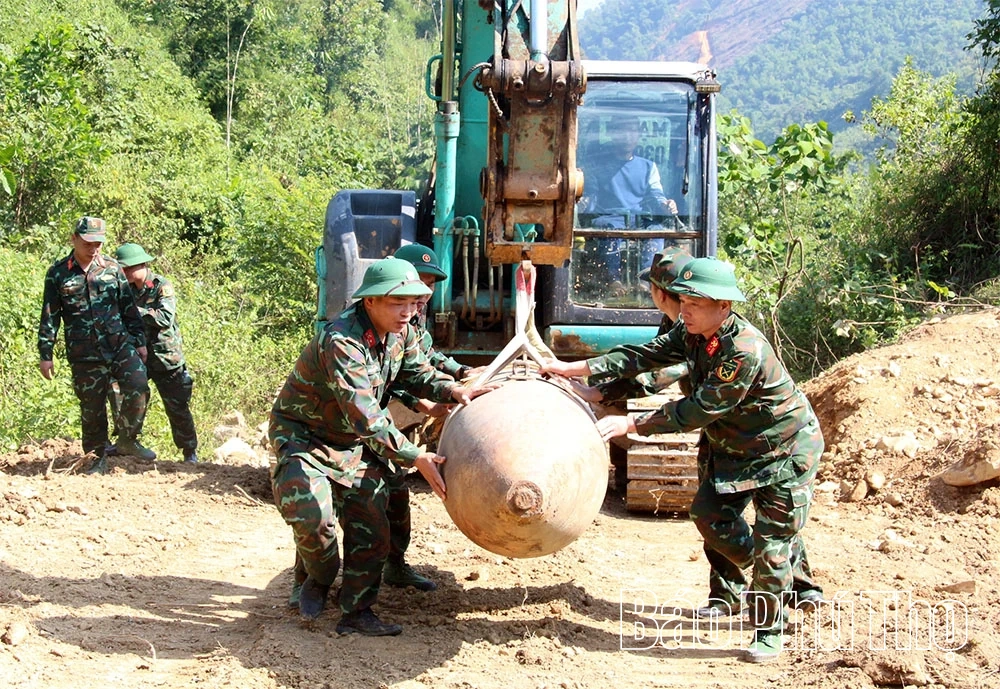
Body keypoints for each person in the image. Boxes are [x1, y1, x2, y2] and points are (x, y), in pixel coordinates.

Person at [542, 257, 824, 663]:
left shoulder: (742, 351)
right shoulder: (692, 333)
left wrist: (632, 424)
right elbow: (642, 356)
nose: (685, 309)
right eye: (684, 300)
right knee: (710, 517)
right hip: (735, 448)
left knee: (772, 544)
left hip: (783, 452)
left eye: (696, 303)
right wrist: (576, 369)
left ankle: (769, 629)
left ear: (723, 306)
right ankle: (780, 578)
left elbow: (697, 410)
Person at [269, 257, 494, 636]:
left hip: (354, 443)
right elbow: (367, 417)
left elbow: (417, 373)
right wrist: (416, 456)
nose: (408, 312)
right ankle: (319, 577)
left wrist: (455, 389)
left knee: (373, 525)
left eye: (413, 302)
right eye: (397, 302)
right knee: (314, 522)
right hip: (305, 438)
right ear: (370, 301)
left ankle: (356, 613)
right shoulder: (342, 341)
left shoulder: (400, 332)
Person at [37, 216, 153, 474]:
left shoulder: (112, 268)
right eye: (88, 243)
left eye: (98, 243)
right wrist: (46, 354)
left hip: (119, 343)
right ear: (74, 239)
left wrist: (140, 342)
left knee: (138, 386)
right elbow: (50, 315)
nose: (94, 248)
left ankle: (128, 438)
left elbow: (128, 308)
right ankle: (96, 458)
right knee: (92, 409)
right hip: (84, 352)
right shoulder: (58, 273)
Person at [110, 243, 199, 464]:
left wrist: (135, 311)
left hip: (165, 358)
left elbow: (164, 318)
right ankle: (126, 441)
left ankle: (189, 452)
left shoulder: (161, 286)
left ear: (139, 266)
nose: (124, 274)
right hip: (138, 355)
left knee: (177, 407)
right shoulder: (125, 289)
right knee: (123, 394)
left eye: (127, 269)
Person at [578, 115, 679, 286]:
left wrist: (665, 205)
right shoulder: (597, 166)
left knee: (655, 231)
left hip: (637, 220)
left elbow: (656, 195)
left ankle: (646, 282)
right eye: (621, 130)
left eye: (632, 130)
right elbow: (591, 196)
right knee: (608, 230)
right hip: (609, 219)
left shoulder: (648, 167)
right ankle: (613, 282)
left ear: (639, 134)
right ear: (611, 133)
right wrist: (583, 203)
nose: (627, 136)